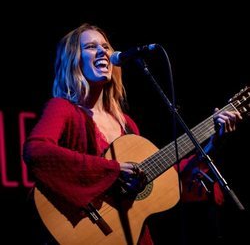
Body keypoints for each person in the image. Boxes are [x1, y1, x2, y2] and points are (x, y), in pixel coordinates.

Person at [22, 22, 242, 245]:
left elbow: (169, 178)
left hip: (131, 234)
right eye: (90, 47)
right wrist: (113, 170)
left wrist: (214, 142)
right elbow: (36, 151)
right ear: (73, 60)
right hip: (84, 227)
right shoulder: (62, 108)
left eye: (106, 46)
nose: (102, 52)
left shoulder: (126, 124)